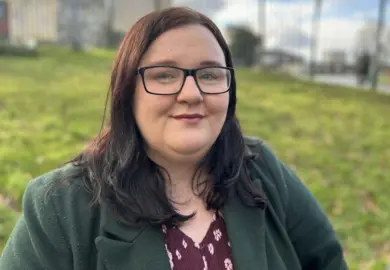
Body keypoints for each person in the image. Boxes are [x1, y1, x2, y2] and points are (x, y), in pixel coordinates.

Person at [0, 7, 348, 270]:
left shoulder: (263, 171)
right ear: (127, 91)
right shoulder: (60, 207)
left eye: (210, 74)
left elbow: (327, 261)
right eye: (165, 75)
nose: (191, 93)